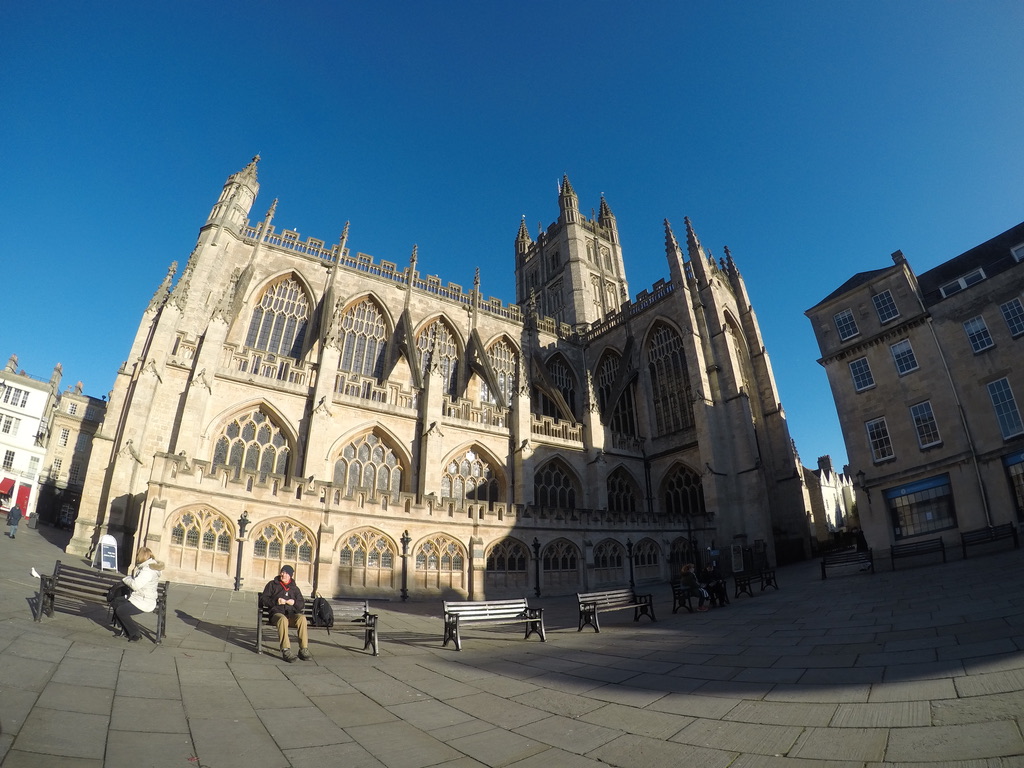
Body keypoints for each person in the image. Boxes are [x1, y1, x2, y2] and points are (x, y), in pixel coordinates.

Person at [260, 565, 312, 662]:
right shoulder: (272, 584)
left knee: (302, 618)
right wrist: (276, 601)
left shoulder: (294, 588)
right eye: (282, 572)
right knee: (282, 619)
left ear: (290, 576)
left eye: (286, 573)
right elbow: (263, 599)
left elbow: (301, 603)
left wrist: (294, 603)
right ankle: (286, 650)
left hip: (291, 615)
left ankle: (303, 649)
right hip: (277, 615)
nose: (283, 574)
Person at [112, 546, 164, 642]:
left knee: (121, 611)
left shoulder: (147, 571)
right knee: (115, 602)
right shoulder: (147, 567)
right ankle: (125, 628)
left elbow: (135, 585)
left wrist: (126, 579)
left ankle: (135, 634)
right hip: (139, 597)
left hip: (144, 601)